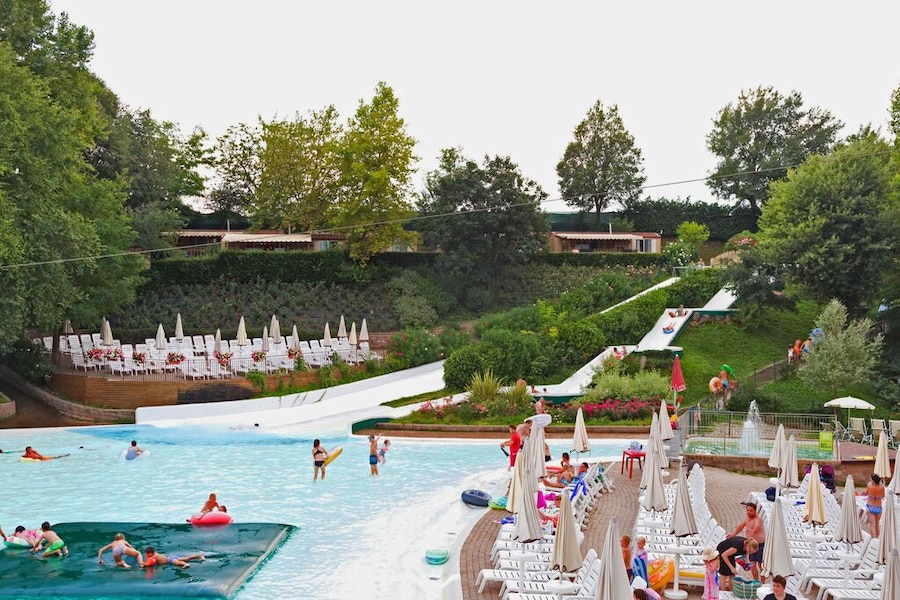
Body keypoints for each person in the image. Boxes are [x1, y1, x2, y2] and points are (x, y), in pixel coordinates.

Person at [726, 499, 765, 577]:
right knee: (753, 564)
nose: (749, 512)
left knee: (761, 565)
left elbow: (755, 530)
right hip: (750, 544)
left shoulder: (758, 520)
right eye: (747, 510)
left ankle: (763, 582)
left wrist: (747, 540)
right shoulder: (748, 518)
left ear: (755, 511)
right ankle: (756, 581)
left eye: (751, 510)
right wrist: (733, 534)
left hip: (759, 545)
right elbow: (741, 526)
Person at [866, 473, 885, 537]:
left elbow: (867, 493)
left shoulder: (869, 486)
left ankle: (874, 539)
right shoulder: (882, 488)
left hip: (870, 506)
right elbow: (883, 496)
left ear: (873, 481)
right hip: (878, 507)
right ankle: (877, 539)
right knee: (877, 526)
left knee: (872, 526)